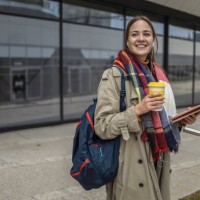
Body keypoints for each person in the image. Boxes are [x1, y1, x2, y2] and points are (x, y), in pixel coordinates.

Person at [94, 15, 197, 200]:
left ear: (153, 40)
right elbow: (102, 126)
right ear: (127, 40)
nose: (141, 38)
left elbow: (162, 121)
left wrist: (179, 122)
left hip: (159, 161)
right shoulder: (114, 75)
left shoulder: (158, 75)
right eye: (135, 34)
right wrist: (137, 110)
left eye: (146, 34)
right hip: (131, 168)